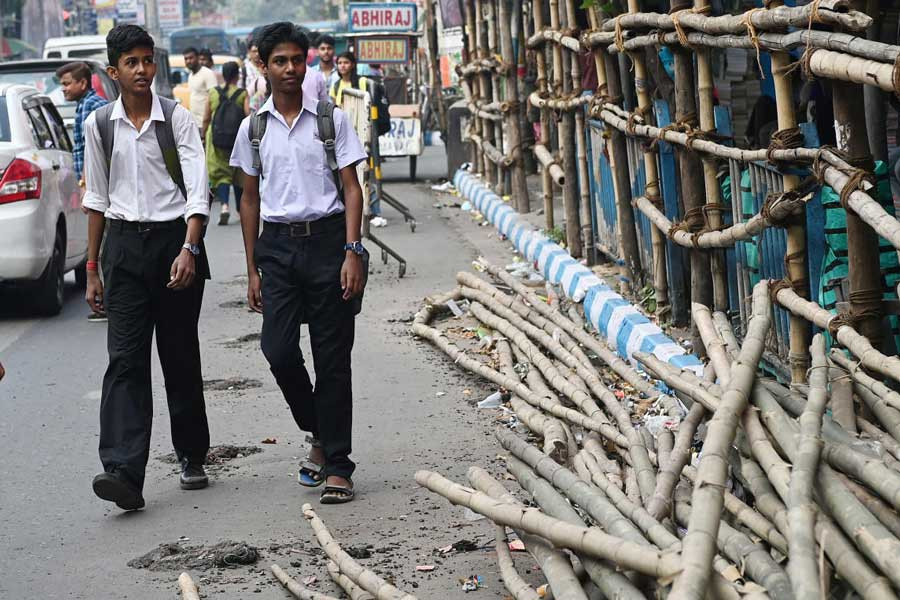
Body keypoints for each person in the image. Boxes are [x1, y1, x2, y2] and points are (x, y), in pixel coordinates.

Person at [230, 22, 368, 505]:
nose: (290, 69)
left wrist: (353, 251)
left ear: (306, 63)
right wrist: (251, 268)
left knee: (333, 359)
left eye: (297, 60)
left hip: (330, 244)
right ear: (262, 66)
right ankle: (318, 429)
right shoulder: (254, 127)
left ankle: (339, 465)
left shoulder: (330, 120)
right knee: (279, 351)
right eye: (280, 61)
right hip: (279, 249)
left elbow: (352, 188)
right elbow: (249, 199)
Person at [83, 24, 212, 511]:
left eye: (147, 60)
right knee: (125, 361)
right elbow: (96, 198)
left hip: (173, 242)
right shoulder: (99, 125)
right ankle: (122, 470)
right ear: (114, 72)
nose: (142, 70)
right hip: (122, 249)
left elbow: (198, 190)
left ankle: (191, 455)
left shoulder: (175, 119)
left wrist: (189, 249)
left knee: (179, 355)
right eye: (131, 63)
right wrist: (94, 267)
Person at [57, 61, 110, 323]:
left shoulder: (95, 107)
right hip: (91, 186)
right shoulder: (82, 107)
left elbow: (99, 149)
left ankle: (110, 302)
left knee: (104, 246)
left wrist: (90, 182)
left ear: (83, 83)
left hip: (100, 188)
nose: (64, 89)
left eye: (67, 83)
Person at [204, 61, 249, 225]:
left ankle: (224, 206)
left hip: (216, 139)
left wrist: (203, 134)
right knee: (237, 173)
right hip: (237, 139)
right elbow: (247, 115)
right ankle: (239, 209)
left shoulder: (213, 92)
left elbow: (206, 117)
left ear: (222, 75)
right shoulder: (242, 93)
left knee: (220, 173)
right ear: (237, 75)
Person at [184, 46, 218, 137]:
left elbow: (214, 98)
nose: (188, 61)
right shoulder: (190, 75)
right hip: (195, 124)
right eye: (186, 59)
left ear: (198, 58)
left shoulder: (207, 73)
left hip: (207, 124)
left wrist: (206, 124)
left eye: (191, 58)